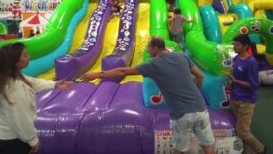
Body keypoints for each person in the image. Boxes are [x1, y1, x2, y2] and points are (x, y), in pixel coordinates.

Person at [81, 36, 215, 154]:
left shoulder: (153, 64)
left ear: (156, 48)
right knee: (208, 146)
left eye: (148, 48)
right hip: (201, 109)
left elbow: (122, 71)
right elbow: (200, 75)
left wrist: (98, 74)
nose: (147, 51)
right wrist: (196, 91)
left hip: (182, 114)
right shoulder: (182, 56)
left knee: (179, 150)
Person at [0, 42, 74, 154]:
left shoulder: (3, 78)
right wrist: (33, 140)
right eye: (25, 55)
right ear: (15, 62)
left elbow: (32, 82)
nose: (29, 57)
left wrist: (55, 84)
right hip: (11, 141)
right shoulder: (15, 88)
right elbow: (20, 119)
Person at [225, 34, 266, 154]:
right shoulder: (236, 59)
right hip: (235, 98)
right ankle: (248, 151)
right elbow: (235, 76)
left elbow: (254, 85)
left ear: (245, 46)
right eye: (234, 44)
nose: (234, 47)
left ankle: (261, 149)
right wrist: (230, 84)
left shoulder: (251, 63)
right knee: (241, 128)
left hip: (246, 101)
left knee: (243, 131)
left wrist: (235, 80)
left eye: (237, 45)